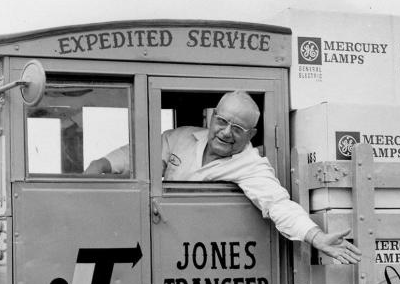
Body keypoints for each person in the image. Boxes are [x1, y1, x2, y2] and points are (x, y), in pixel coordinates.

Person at [85, 91, 362, 264]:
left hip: (197, 251)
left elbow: (279, 204)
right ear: (212, 118)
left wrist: (316, 237)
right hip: (162, 245)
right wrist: (101, 165)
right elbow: (133, 157)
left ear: (251, 135)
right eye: (222, 122)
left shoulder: (251, 165)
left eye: (238, 128)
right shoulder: (181, 137)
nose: (226, 133)